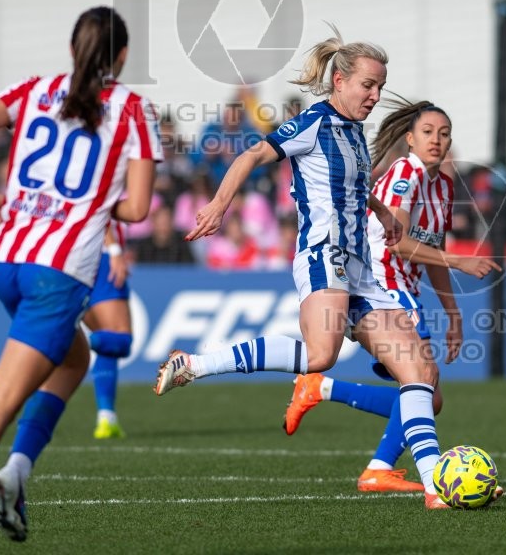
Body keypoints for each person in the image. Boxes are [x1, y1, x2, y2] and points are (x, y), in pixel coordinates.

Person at [154, 26, 452, 509]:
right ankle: (194, 365)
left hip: (360, 269)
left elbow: (356, 190)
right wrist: (219, 204)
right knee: (320, 357)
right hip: (323, 255)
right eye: (367, 86)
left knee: (420, 370)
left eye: (379, 87)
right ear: (340, 82)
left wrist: (381, 216)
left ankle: (436, 486)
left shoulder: (354, 133)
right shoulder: (313, 122)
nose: (374, 96)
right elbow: (253, 154)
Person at [0, 6, 160, 541]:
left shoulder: (34, 89)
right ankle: (11, 466)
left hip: (6, 261)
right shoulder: (131, 107)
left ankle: (17, 471)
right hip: (57, 273)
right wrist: (94, 203)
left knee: (74, 357)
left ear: (72, 47)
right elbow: (139, 207)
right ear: (121, 56)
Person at [281, 100, 501, 493]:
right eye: (428, 132)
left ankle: (324, 392)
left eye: (444, 133)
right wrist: (460, 262)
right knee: (424, 386)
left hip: (406, 286)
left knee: (427, 397)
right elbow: (399, 244)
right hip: (381, 282)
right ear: (410, 139)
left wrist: (453, 314)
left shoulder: (443, 186)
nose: (437, 139)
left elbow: (431, 251)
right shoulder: (405, 172)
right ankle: (389, 470)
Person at [86, 222, 134, 439]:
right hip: (101, 258)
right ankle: (68, 339)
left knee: (108, 344)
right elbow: (101, 206)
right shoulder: (115, 187)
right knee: (118, 338)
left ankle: (107, 417)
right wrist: (114, 250)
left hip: (70, 258)